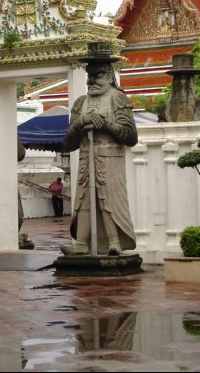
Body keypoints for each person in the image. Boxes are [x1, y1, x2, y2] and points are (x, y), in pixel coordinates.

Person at [61, 42, 138, 256]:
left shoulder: (117, 98)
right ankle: (81, 243)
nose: (92, 80)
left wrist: (106, 125)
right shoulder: (80, 103)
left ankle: (114, 242)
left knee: (109, 201)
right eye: (89, 75)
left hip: (110, 158)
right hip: (87, 158)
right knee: (84, 202)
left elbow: (131, 136)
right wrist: (80, 122)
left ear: (110, 76)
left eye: (98, 74)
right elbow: (68, 143)